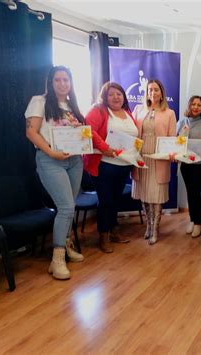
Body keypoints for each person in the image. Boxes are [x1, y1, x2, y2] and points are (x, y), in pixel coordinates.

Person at [25, 66, 85, 280]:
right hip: (51, 161)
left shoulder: (71, 105)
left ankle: (66, 245)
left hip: (75, 162)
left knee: (71, 206)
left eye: (66, 80)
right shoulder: (39, 101)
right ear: (50, 82)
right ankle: (57, 258)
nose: (62, 84)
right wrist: (51, 151)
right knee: (66, 207)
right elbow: (30, 131)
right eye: (57, 80)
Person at [84, 82, 137, 253]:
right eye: (111, 94)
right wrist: (105, 148)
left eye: (119, 94)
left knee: (115, 200)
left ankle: (114, 230)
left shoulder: (128, 113)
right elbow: (89, 130)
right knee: (106, 201)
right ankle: (104, 235)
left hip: (124, 165)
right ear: (105, 97)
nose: (116, 97)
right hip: (104, 165)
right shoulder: (98, 110)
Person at [132, 79, 177, 245]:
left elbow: (172, 137)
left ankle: (156, 228)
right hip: (141, 155)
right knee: (144, 193)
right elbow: (132, 133)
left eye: (156, 90)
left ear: (162, 92)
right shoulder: (138, 109)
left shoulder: (169, 113)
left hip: (159, 157)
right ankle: (148, 226)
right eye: (150, 89)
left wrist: (173, 153)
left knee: (156, 194)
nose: (153, 93)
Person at [176, 95, 201, 238]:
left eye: (199, 105)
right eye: (194, 104)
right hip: (185, 164)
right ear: (189, 106)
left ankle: (198, 223)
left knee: (195, 193)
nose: (196, 107)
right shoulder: (181, 122)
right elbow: (176, 141)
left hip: (200, 165)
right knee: (190, 193)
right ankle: (192, 219)